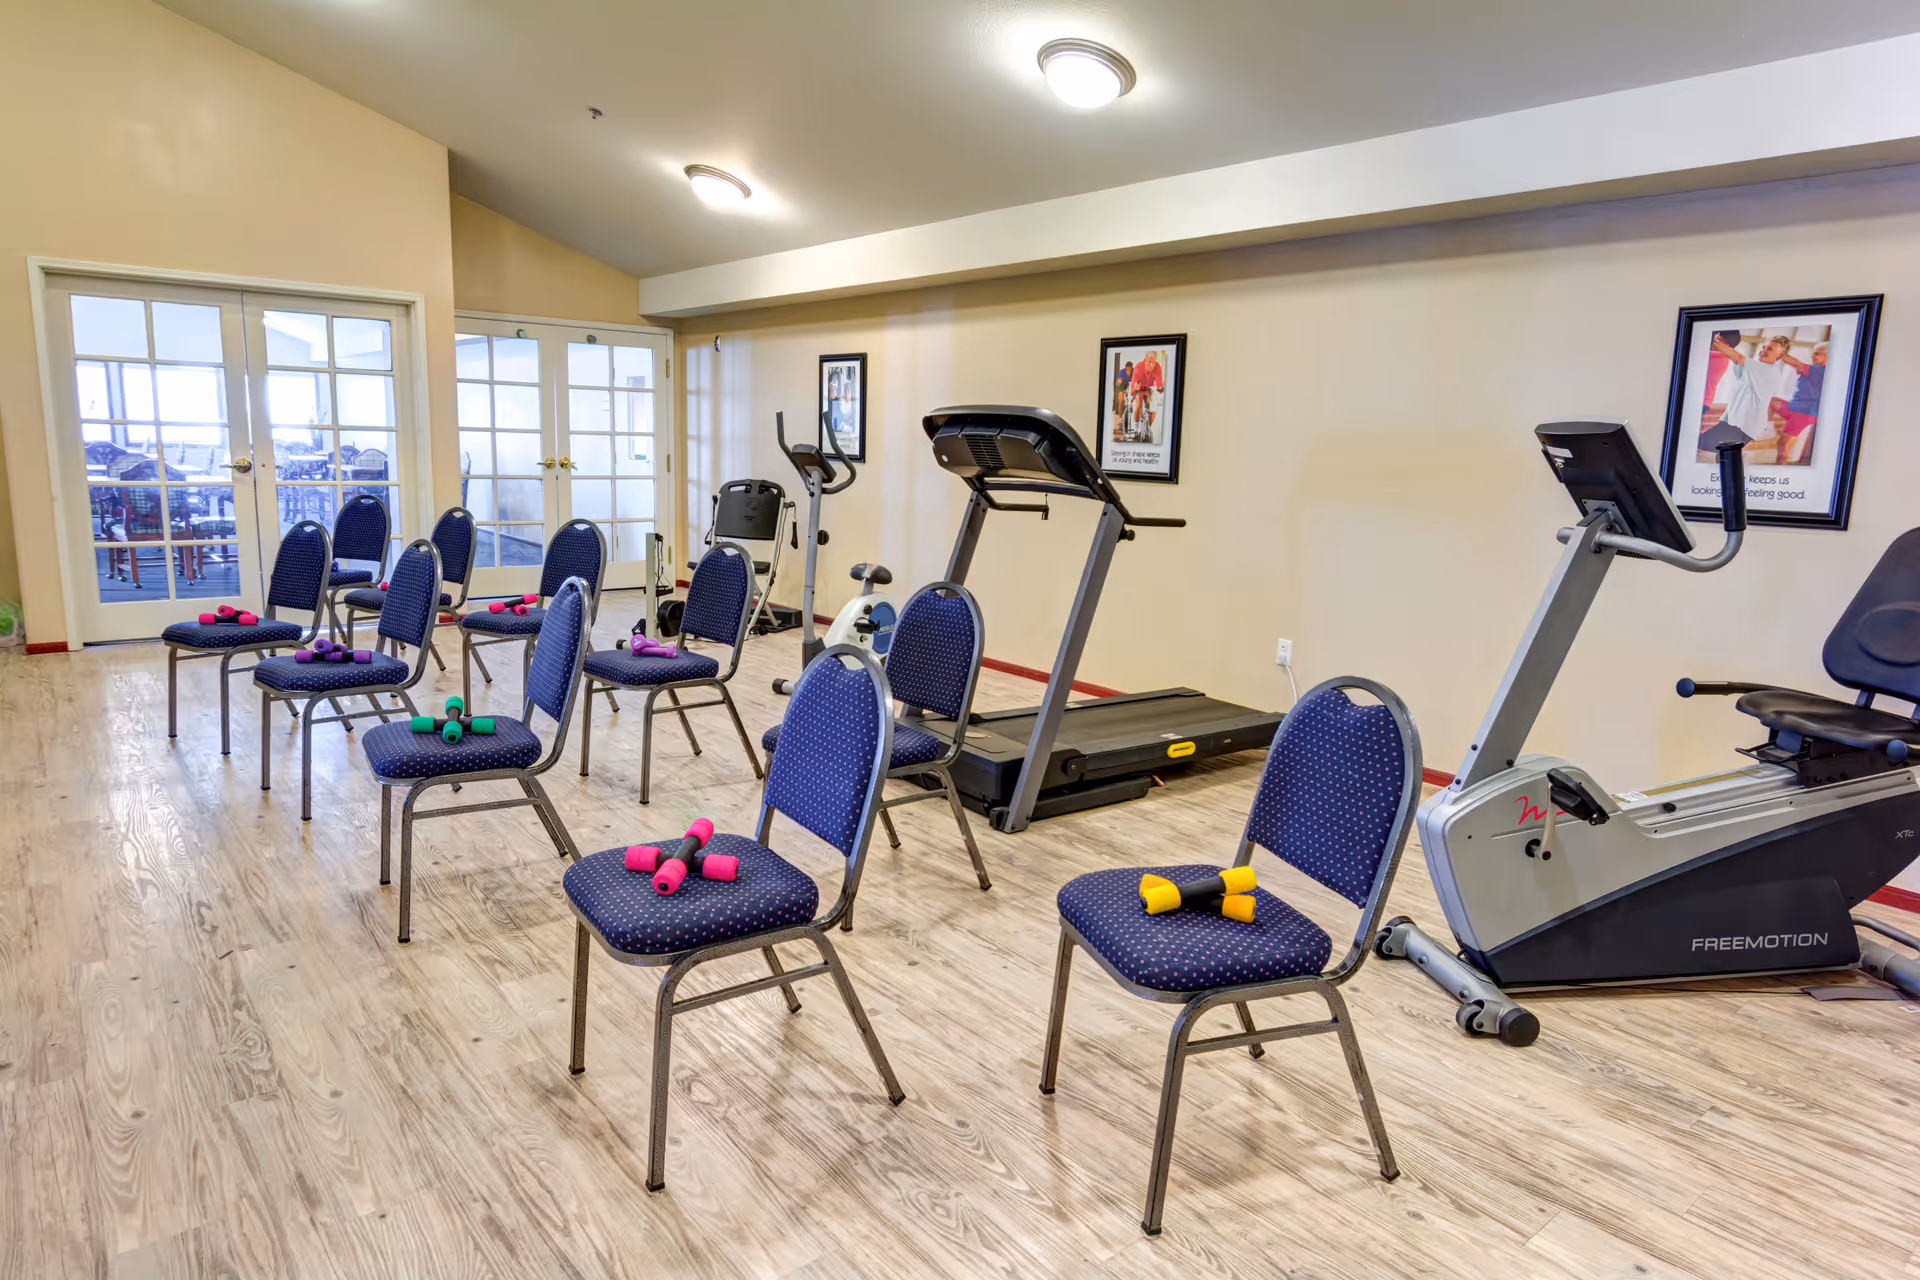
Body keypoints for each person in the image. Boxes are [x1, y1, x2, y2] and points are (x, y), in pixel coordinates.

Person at [1699, 333, 1794, 455]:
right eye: (1763, 347)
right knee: (1724, 455)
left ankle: (1739, 458)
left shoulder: (1769, 371)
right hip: (1734, 423)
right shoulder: (1754, 369)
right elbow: (1735, 358)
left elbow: (1737, 357)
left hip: (1744, 425)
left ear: (1779, 355)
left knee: (1702, 442)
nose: (1763, 350)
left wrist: (1712, 339)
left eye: (1769, 349)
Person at [1773, 342, 1827, 464]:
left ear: (1827, 356)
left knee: (1783, 443)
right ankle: (1769, 429)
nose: (1813, 356)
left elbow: (1795, 363)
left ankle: (1779, 470)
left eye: (1817, 354)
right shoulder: (1817, 370)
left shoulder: (1819, 369)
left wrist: (1778, 352)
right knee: (1782, 443)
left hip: (1802, 412)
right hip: (1797, 409)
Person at [1130, 350, 1165, 439]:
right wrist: (1136, 388)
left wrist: (1162, 388)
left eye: (1153, 362)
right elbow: (1132, 391)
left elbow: (1159, 388)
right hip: (1139, 389)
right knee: (1139, 402)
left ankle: (1148, 428)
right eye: (1150, 361)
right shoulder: (1138, 368)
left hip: (1149, 389)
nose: (1152, 365)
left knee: (1153, 406)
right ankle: (1137, 429)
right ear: (1145, 360)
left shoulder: (1157, 368)